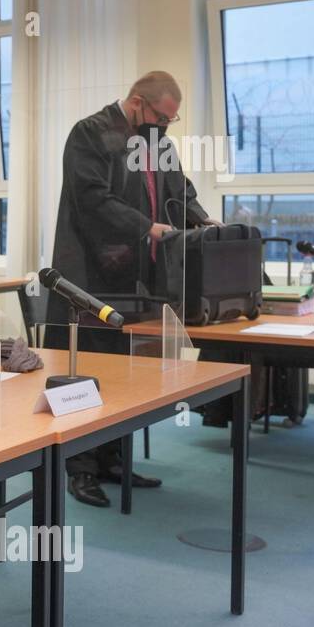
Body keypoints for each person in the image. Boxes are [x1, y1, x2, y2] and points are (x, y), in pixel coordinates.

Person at [46, 71, 217, 507]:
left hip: (138, 276)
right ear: (138, 103)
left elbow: (180, 189)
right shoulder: (90, 133)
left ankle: (113, 460)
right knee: (84, 369)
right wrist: (148, 227)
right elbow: (92, 199)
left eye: (171, 121)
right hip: (90, 276)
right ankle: (79, 470)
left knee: (126, 376)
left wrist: (201, 219)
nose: (165, 127)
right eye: (162, 116)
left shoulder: (157, 142)